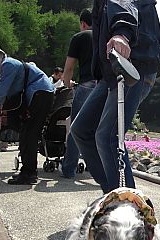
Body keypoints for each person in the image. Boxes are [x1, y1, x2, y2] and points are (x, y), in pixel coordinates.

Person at [70, 0, 160, 193]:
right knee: (81, 129)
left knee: (107, 136)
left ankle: (129, 207)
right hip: (110, 72)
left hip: (133, 65)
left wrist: (122, 33)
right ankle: (113, 194)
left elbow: (125, 5)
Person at [0, 41, 54, 185]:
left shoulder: (9, 65)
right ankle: (27, 172)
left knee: (29, 133)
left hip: (40, 93)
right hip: (41, 93)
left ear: (0, 54)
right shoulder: (8, 66)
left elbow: (1, 91)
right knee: (27, 133)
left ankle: (29, 174)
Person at [60, 9, 95, 179]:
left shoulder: (79, 37)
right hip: (106, 86)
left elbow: (69, 68)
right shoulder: (106, 36)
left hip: (87, 84)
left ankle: (69, 168)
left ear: (83, 23)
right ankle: (97, 168)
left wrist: (67, 85)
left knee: (76, 126)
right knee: (100, 128)